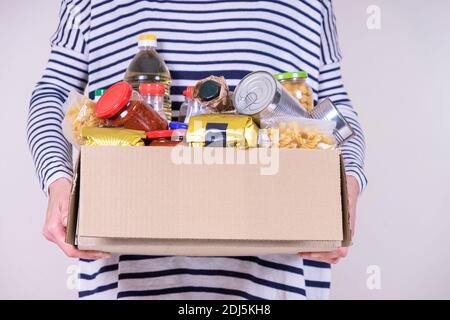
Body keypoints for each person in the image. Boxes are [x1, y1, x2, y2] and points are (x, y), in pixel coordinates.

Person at [27, 0, 367, 300]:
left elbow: (335, 113)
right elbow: (51, 94)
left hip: (275, 276)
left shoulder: (310, 5)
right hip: (128, 274)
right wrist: (57, 180)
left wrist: (347, 184)